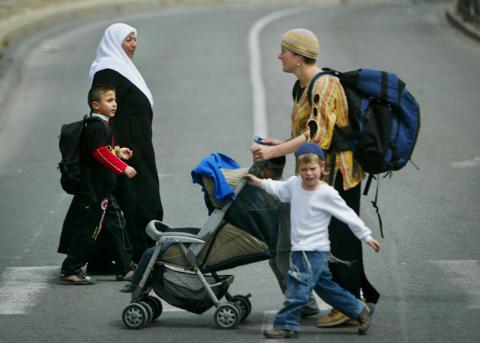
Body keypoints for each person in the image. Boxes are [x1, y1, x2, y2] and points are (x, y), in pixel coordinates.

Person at [250, 28, 380, 327]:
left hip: (339, 173)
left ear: (298, 56)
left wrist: (275, 152)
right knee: (330, 239)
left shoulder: (325, 85)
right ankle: (360, 298)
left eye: (284, 50)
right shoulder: (301, 86)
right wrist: (279, 142)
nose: (279, 55)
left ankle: (351, 304)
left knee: (340, 239)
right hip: (320, 171)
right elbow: (305, 134)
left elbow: (317, 136)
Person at [245, 143, 381, 338]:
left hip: (313, 250)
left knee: (297, 289)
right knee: (326, 288)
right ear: (298, 170)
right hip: (302, 249)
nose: (309, 174)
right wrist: (258, 182)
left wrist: (366, 235)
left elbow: (347, 215)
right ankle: (359, 310)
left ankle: (286, 325)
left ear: (323, 168)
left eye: (313, 169)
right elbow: (277, 187)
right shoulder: (293, 184)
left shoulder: (326, 193)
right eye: (304, 170)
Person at [89, 23, 164, 265]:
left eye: (134, 39)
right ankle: (134, 253)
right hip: (124, 149)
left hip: (138, 145)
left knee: (142, 194)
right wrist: (115, 150)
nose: (133, 44)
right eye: (128, 39)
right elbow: (103, 112)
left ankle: (140, 251)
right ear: (114, 41)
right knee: (134, 197)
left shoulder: (122, 67)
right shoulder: (107, 71)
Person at [58, 84, 137, 284]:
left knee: (117, 224)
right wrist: (122, 166)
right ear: (96, 105)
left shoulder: (102, 125)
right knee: (90, 228)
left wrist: (118, 152)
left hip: (103, 188)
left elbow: (102, 150)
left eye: (115, 100)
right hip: (95, 190)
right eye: (109, 100)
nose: (115, 104)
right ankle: (71, 269)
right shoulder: (96, 125)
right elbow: (99, 152)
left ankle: (126, 267)